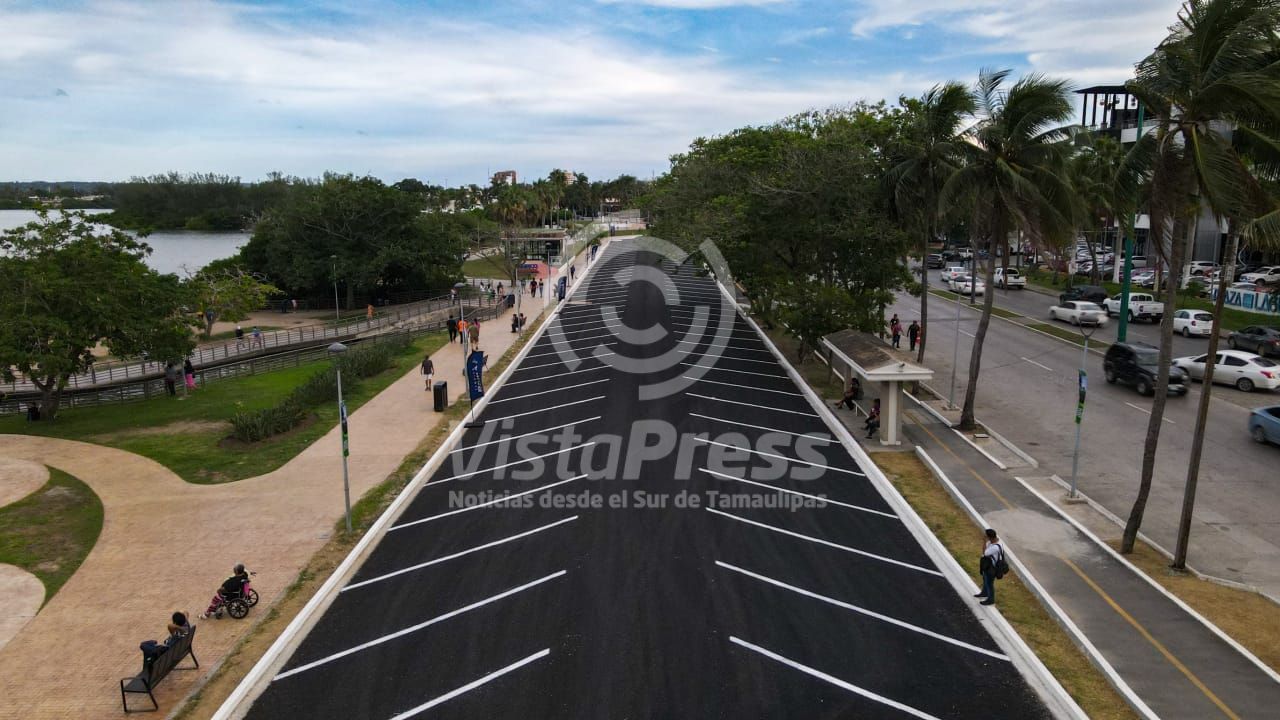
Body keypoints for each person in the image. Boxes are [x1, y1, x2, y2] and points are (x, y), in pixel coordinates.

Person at [976, 528, 1004, 606]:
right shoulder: (994, 542)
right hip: (988, 565)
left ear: (989, 537)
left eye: (986, 536)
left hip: (991, 568)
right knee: (985, 579)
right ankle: (984, 593)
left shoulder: (995, 547)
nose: (984, 537)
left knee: (989, 583)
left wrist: (984, 541)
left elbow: (985, 553)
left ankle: (991, 600)